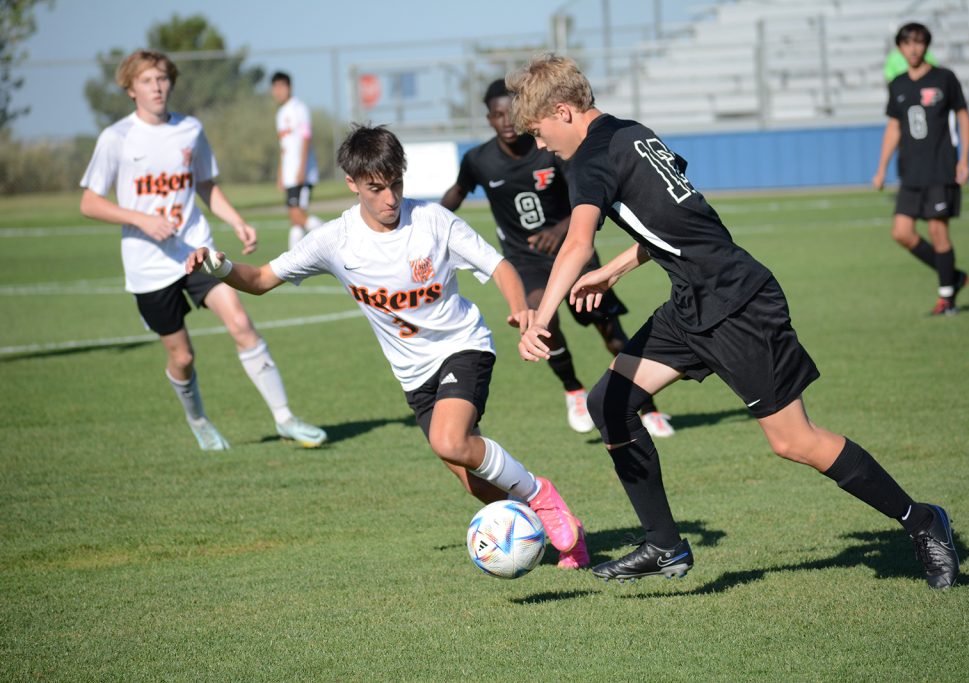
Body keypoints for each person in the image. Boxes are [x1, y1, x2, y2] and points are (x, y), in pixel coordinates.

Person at [508, 54, 959, 589]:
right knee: (610, 402)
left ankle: (923, 521)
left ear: (563, 111)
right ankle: (663, 544)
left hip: (738, 304)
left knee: (795, 441)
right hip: (692, 304)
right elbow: (676, 217)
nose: (540, 145)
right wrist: (615, 270)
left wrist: (541, 317)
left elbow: (576, 241)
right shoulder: (632, 133)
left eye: (539, 132)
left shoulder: (588, 159)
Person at [185, 124, 590, 569]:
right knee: (470, 478)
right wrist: (218, 266)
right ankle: (564, 537)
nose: (390, 198)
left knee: (450, 440)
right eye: (376, 188)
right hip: (413, 375)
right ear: (352, 184)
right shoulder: (334, 241)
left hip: (462, 346)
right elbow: (261, 280)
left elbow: (499, 266)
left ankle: (542, 496)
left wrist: (519, 309)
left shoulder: (433, 221)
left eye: (396, 184)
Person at [79, 49, 326, 451]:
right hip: (147, 266)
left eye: (162, 79)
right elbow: (90, 202)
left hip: (195, 248)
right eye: (147, 81)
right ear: (130, 88)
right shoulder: (116, 139)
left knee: (241, 323)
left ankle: (285, 418)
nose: (157, 87)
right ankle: (198, 419)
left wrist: (236, 220)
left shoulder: (190, 129)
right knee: (184, 358)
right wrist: (140, 219)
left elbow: (206, 186)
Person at [441, 79, 674, 438]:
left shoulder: (549, 148)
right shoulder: (478, 160)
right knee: (538, 319)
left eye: (511, 114)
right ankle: (573, 390)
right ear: (489, 118)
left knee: (608, 328)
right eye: (497, 115)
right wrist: (429, 222)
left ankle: (647, 406)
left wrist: (560, 229)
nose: (505, 121)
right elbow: (457, 193)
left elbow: (585, 196)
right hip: (525, 260)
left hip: (573, 252)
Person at [872, 23, 969, 316]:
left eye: (918, 43)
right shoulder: (899, 84)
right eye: (907, 44)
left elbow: (964, 116)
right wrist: (881, 168)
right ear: (900, 48)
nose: (913, 49)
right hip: (910, 171)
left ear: (926, 45)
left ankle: (946, 298)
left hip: (941, 168)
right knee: (901, 232)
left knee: (938, 231)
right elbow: (893, 127)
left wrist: (964, 158)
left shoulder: (944, 78)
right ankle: (953, 276)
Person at [271, 71, 324, 249]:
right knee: (295, 220)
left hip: (302, 173)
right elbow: (283, 147)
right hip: (289, 174)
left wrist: (302, 168)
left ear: (289, 87)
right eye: (274, 88)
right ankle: (294, 264)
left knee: (297, 215)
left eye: (280, 87)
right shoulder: (280, 114)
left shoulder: (299, 109)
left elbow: (306, 137)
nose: (277, 91)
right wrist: (280, 173)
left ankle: (332, 235)